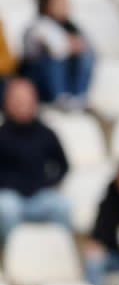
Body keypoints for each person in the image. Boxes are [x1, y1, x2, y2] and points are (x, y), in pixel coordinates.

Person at [0, 79, 70, 240]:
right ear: (8, 103)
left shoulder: (46, 134)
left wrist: (49, 182)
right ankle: (13, 255)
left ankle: (60, 254)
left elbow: (63, 165)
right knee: (6, 208)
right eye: (18, 100)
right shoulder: (2, 135)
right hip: (10, 196)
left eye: (26, 100)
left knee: (63, 207)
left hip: (39, 196)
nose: (22, 105)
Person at [23, 0, 94, 110]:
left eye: (66, 2)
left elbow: (85, 46)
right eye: (59, 2)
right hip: (39, 81)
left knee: (87, 56)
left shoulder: (72, 27)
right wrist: (70, 45)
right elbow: (56, 50)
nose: (65, 6)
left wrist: (72, 46)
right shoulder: (39, 25)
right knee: (53, 58)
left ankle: (78, 98)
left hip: (66, 77)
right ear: (47, 5)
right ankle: (61, 97)